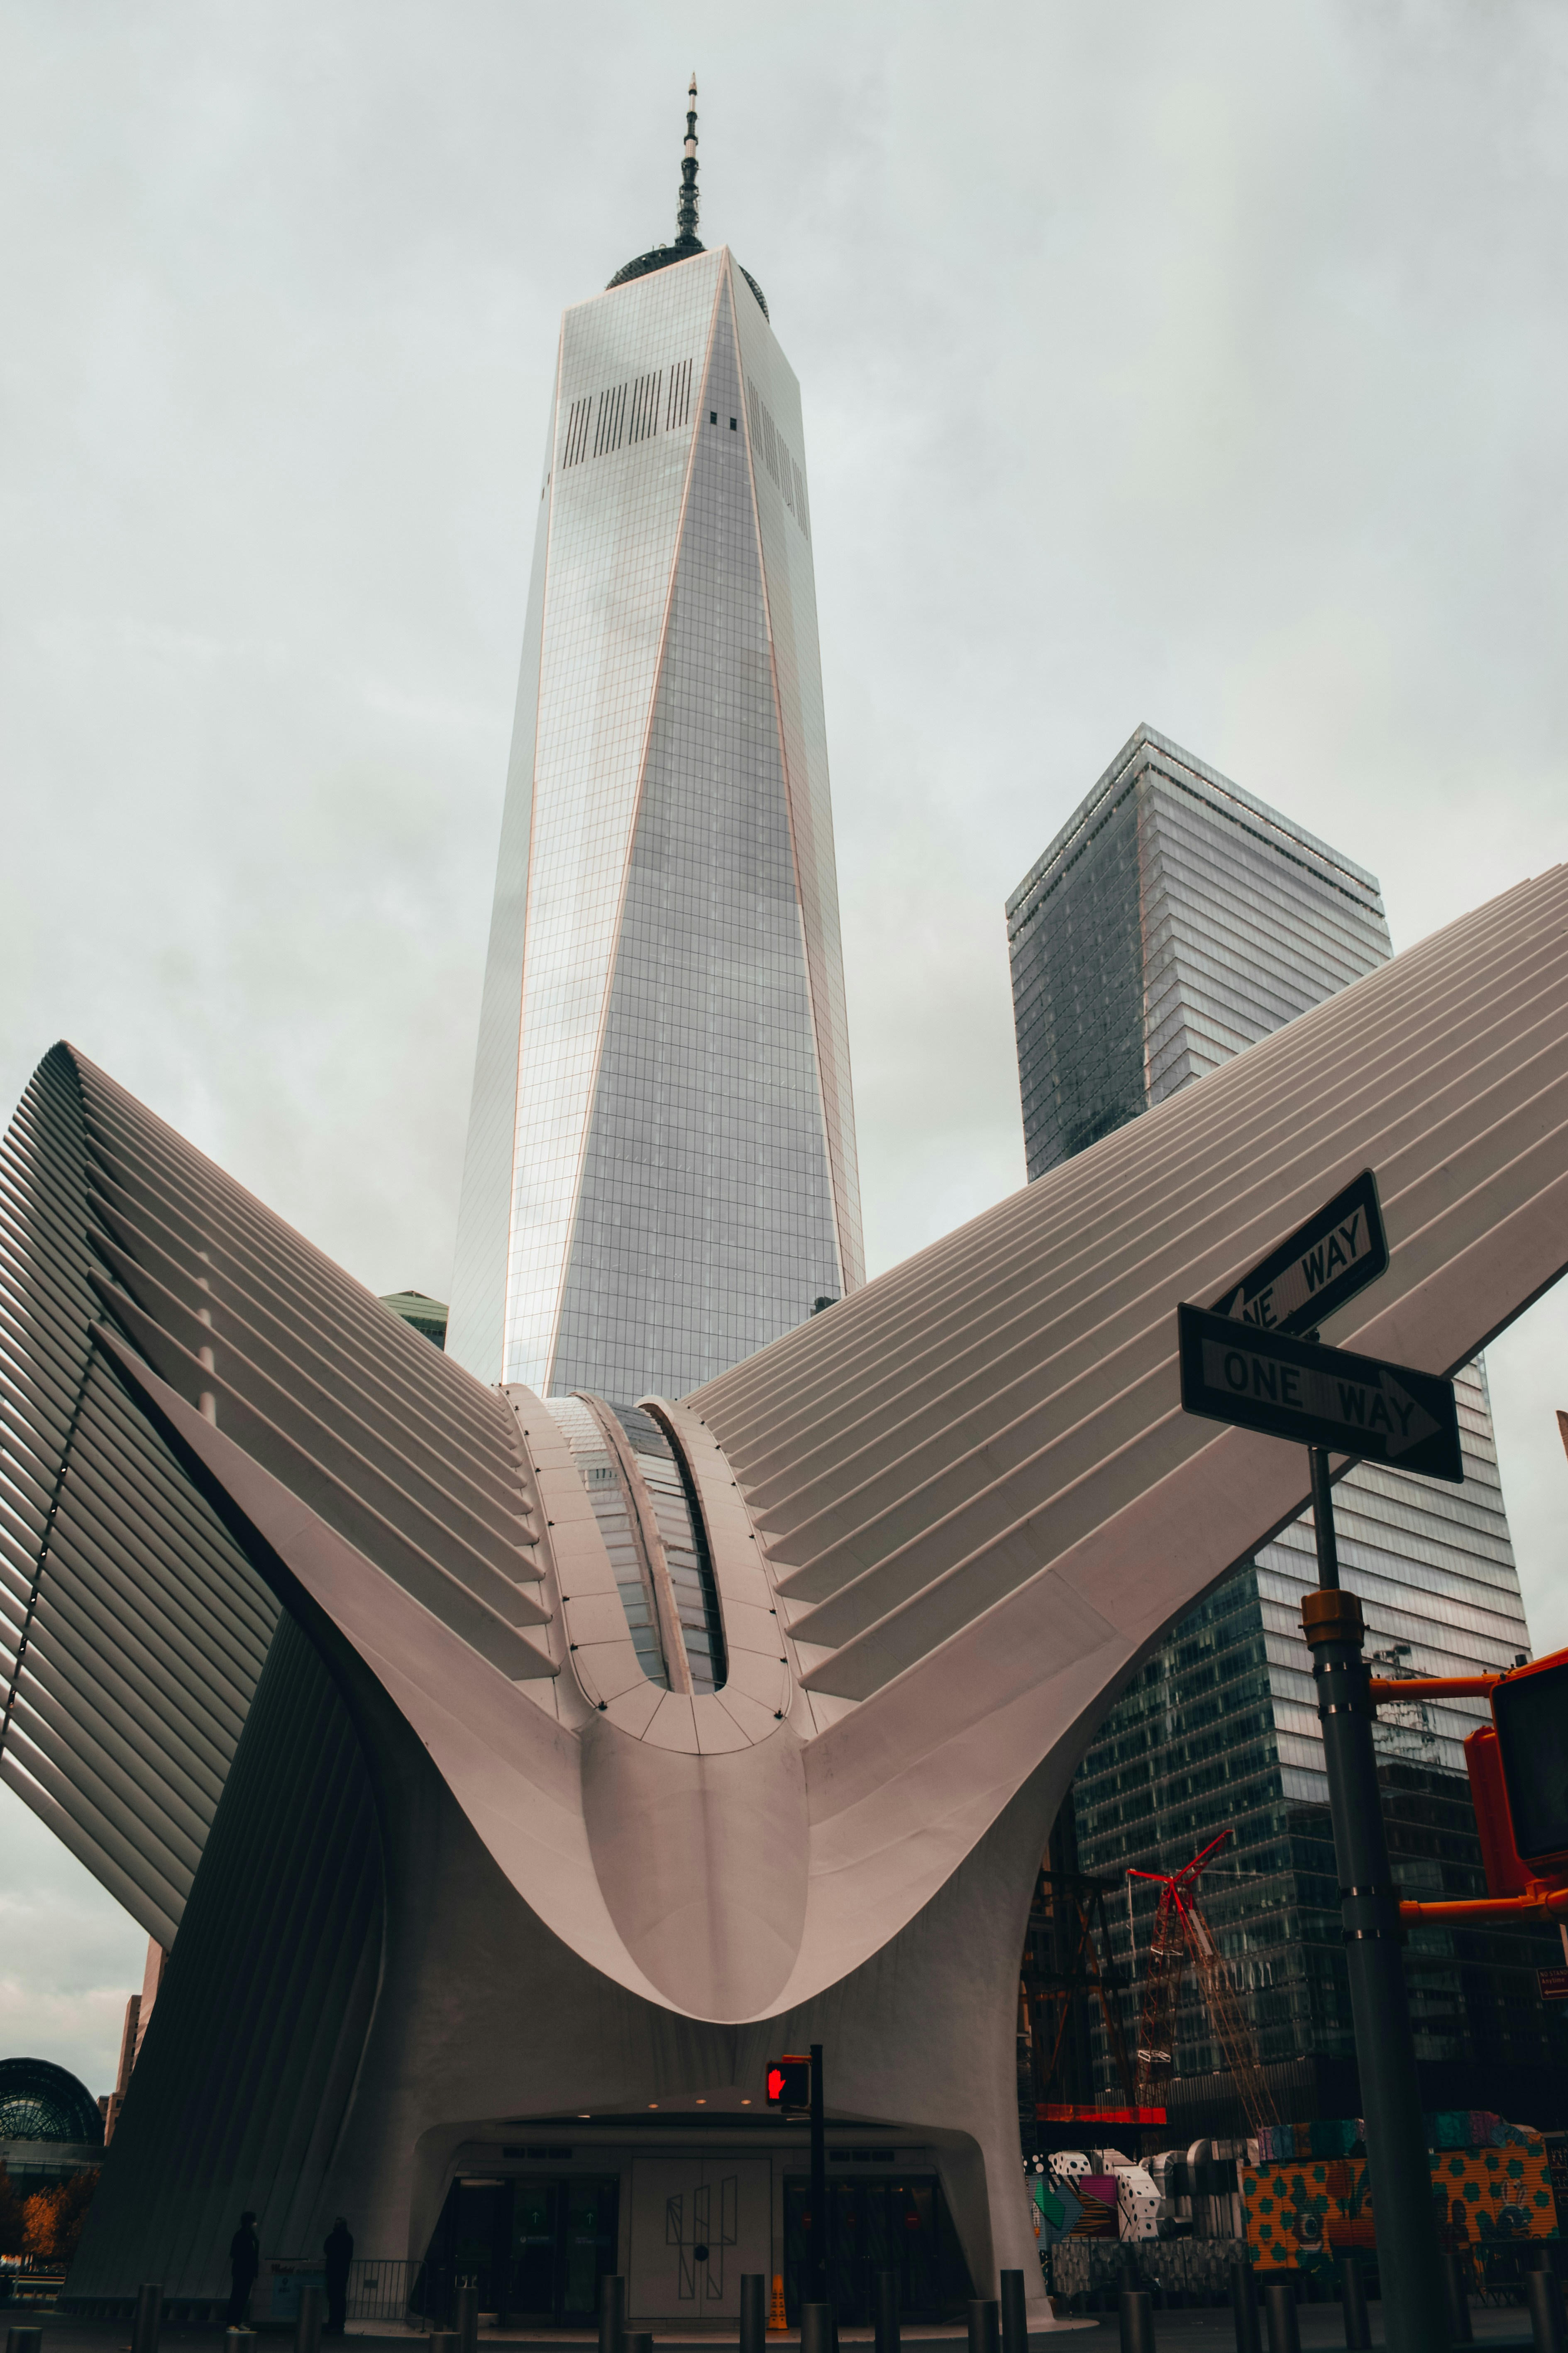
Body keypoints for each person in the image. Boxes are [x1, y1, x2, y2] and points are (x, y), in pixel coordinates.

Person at [227, 2211, 260, 2327]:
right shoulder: (241, 2235)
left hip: (248, 2271)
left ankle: (237, 2321)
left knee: (243, 2297)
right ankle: (232, 2322)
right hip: (241, 2271)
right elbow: (234, 2253)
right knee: (237, 2296)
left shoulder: (252, 2235)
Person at [323, 2216, 354, 2335]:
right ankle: (338, 2325)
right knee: (339, 2299)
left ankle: (334, 2324)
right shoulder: (348, 2238)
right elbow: (348, 2255)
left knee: (334, 2300)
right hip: (341, 2273)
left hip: (333, 2272)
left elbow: (326, 2249)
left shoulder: (332, 2237)